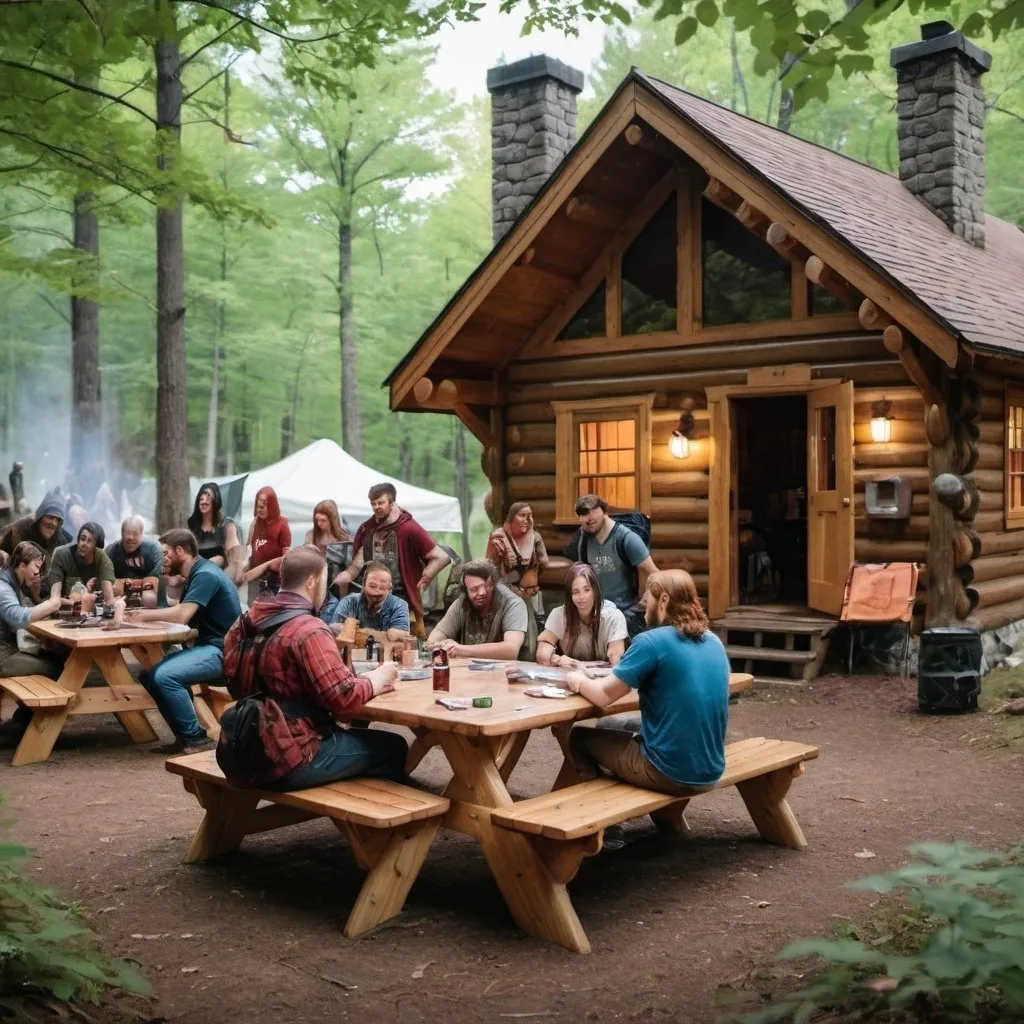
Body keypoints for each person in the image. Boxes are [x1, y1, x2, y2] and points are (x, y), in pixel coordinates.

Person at [220, 546, 407, 790]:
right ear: (312, 581)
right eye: (325, 580)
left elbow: (234, 682)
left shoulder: (245, 622)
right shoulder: (309, 630)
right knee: (395, 747)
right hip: (291, 757)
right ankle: (365, 819)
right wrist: (377, 678)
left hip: (245, 749)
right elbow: (343, 698)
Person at [562, 570, 730, 797]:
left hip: (667, 772)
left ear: (664, 601)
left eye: (647, 597)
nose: (643, 604)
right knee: (609, 724)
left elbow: (603, 696)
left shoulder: (651, 642)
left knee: (579, 737)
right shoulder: (714, 642)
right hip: (711, 769)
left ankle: (607, 819)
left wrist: (578, 680)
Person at [129, 529, 242, 754]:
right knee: (149, 676)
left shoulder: (206, 574)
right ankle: (184, 736)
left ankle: (197, 740)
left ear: (181, 551)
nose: (164, 558)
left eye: (167, 552)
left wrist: (144, 616)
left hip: (225, 652)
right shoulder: (197, 575)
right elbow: (181, 613)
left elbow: (182, 615)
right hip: (210, 648)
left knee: (165, 676)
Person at [336, 483, 450, 639]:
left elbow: (441, 557)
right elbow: (358, 563)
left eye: (380, 502)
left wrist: (426, 577)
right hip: (371, 596)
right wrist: (347, 574)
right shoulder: (368, 529)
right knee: (364, 640)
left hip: (402, 596)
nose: (376, 507)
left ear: (392, 501)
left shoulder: (409, 528)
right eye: (373, 503)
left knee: (403, 644)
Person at [566, 495, 658, 637]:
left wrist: (640, 606)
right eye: (583, 514)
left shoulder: (627, 538)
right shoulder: (582, 540)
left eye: (593, 511)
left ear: (604, 511)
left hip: (624, 613)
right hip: (595, 614)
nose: (589, 518)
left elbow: (655, 575)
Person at [0, 542, 64, 742]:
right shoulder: (3, 587)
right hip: (2, 655)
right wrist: (53, 603)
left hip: (8, 649)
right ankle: (25, 726)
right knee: (57, 671)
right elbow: (18, 617)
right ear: (21, 565)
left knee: (56, 661)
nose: (38, 572)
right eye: (36, 566)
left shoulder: (13, 584)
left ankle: (23, 723)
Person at [427, 559, 527, 661]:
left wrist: (461, 650)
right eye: (474, 589)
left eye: (486, 586)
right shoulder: (462, 602)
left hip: (502, 671)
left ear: (492, 583)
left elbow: (511, 650)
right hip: (468, 670)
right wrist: (435, 645)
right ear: (466, 590)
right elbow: (440, 632)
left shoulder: (512, 604)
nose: (482, 592)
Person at [485, 501, 549, 654]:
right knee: (507, 634)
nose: (527, 519)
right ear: (511, 518)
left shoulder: (535, 537)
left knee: (530, 638)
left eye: (530, 515)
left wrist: (533, 578)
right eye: (522, 515)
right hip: (505, 597)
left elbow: (544, 561)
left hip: (527, 596)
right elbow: (488, 566)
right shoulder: (499, 537)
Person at [537, 563, 628, 668]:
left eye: (587, 590)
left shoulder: (614, 617)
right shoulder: (559, 615)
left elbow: (616, 661)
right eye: (575, 592)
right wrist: (558, 660)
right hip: (570, 672)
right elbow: (542, 652)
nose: (581, 597)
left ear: (595, 591)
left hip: (603, 677)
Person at [0, 489, 72, 590]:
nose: (54, 523)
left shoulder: (63, 543)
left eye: (58, 519)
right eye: (50, 517)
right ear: (40, 517)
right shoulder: (20, 531)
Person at [321, 561, 410, 638]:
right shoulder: (349, 601)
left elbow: (399, 634)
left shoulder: (399, 605)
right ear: (364, 584)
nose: (376, 592)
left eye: (382, 588)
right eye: (372, 586)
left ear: (389, 588)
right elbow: (334, 631)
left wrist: (354, 632)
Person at [187, 482, 244, 584]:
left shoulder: (227, 525)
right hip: (197, 576)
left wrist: (238, 576)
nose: (204, 502)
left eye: (208, 498)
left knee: (219, 559)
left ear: (215, 501)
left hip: (221, 577)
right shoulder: (192, 525)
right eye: (201, 499)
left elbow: (236, 553)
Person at [243, 486, 291, 605]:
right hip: (254, 581)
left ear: (272, 505)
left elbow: (286, 558)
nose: (260, 509)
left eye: (264, 506)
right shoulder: (255, 523)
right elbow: (249, 548)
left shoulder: (282, 524)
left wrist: (267, 565)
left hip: (273, 582)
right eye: (258, 506)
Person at [48, 522, 116, 606]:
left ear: (96, 547)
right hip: (62, 608)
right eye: (83, 539)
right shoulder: (62, 555)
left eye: (89, 541)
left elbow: (109, 599)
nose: (84, 544)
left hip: (92, 610)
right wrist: (77, 602)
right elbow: (54, 598)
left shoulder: (103, 560)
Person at [106, 515, 162, 608]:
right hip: (117, 599)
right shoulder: (111, 551)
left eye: (135, 534)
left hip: (148, 597)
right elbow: (106, 581)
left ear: (142, 534)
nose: (131, 537)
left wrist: (124, 583)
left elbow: (155, 582)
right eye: (127, 533)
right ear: (122, 533)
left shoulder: (154, 549)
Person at [304, 499, 350, 588]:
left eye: (323, 520)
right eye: (317, 520)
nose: (319, 523)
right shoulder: (311, 535)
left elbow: (348, 565)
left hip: (336, 583)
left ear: (332, 519)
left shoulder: (344, 538)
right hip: (314, 581)